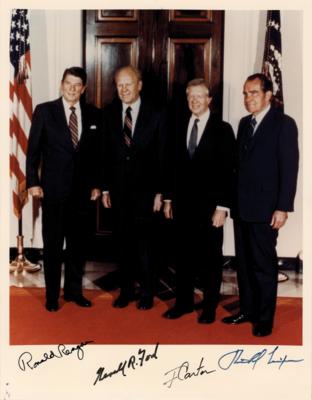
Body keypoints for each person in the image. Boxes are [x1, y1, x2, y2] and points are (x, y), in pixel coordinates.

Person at [222, 73, 299, 336]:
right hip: (242, 207)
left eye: (253, 93)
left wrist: (283, 207)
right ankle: (247, 310)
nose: (248, 98)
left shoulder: (284, 124)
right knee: (243, 263)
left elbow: (289, 169)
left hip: (266, 210)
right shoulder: (244, 124)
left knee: (263, 266)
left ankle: (264, 319)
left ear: (268, 95)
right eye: (245, 93)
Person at [26, 66, 102, 312]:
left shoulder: (93, 115)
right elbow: (33, 152)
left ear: (84, 89)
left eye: (77, 85)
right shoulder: (45, 111)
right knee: (53, 246)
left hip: (82, 194)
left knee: (78, 247)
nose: (72, 88)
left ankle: (74, 292)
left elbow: (97, 156)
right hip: (53, 192)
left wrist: (97, 185)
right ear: (61, 84)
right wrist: (33, 183)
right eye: (68, 83)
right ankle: (51, 296)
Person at [162, 78, 236, 324]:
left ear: (209, 100)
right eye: (190, 96)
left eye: (199, 96)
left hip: (210, 210)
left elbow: (229, 171)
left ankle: (209, 308)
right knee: (182, 257)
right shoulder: (178, 125)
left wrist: (223, 208)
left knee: (210, 260)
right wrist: (169, 199)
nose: (194, 101)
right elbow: (172, 167)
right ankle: (183, 303)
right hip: (182, 206)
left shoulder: (223, 129)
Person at [99, 65, 167, 310]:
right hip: (118, 192)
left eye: (128, 84)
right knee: (122, 244)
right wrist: (105, 188)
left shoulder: (157, 113)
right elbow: (104, 154)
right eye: (120, 85)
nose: (124, 89)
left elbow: (162, 155)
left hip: (147, 194)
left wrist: (161, 192)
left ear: (139, 85)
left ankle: (147, 292)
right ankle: (126, 291)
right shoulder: (108, 113)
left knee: (146, 245)